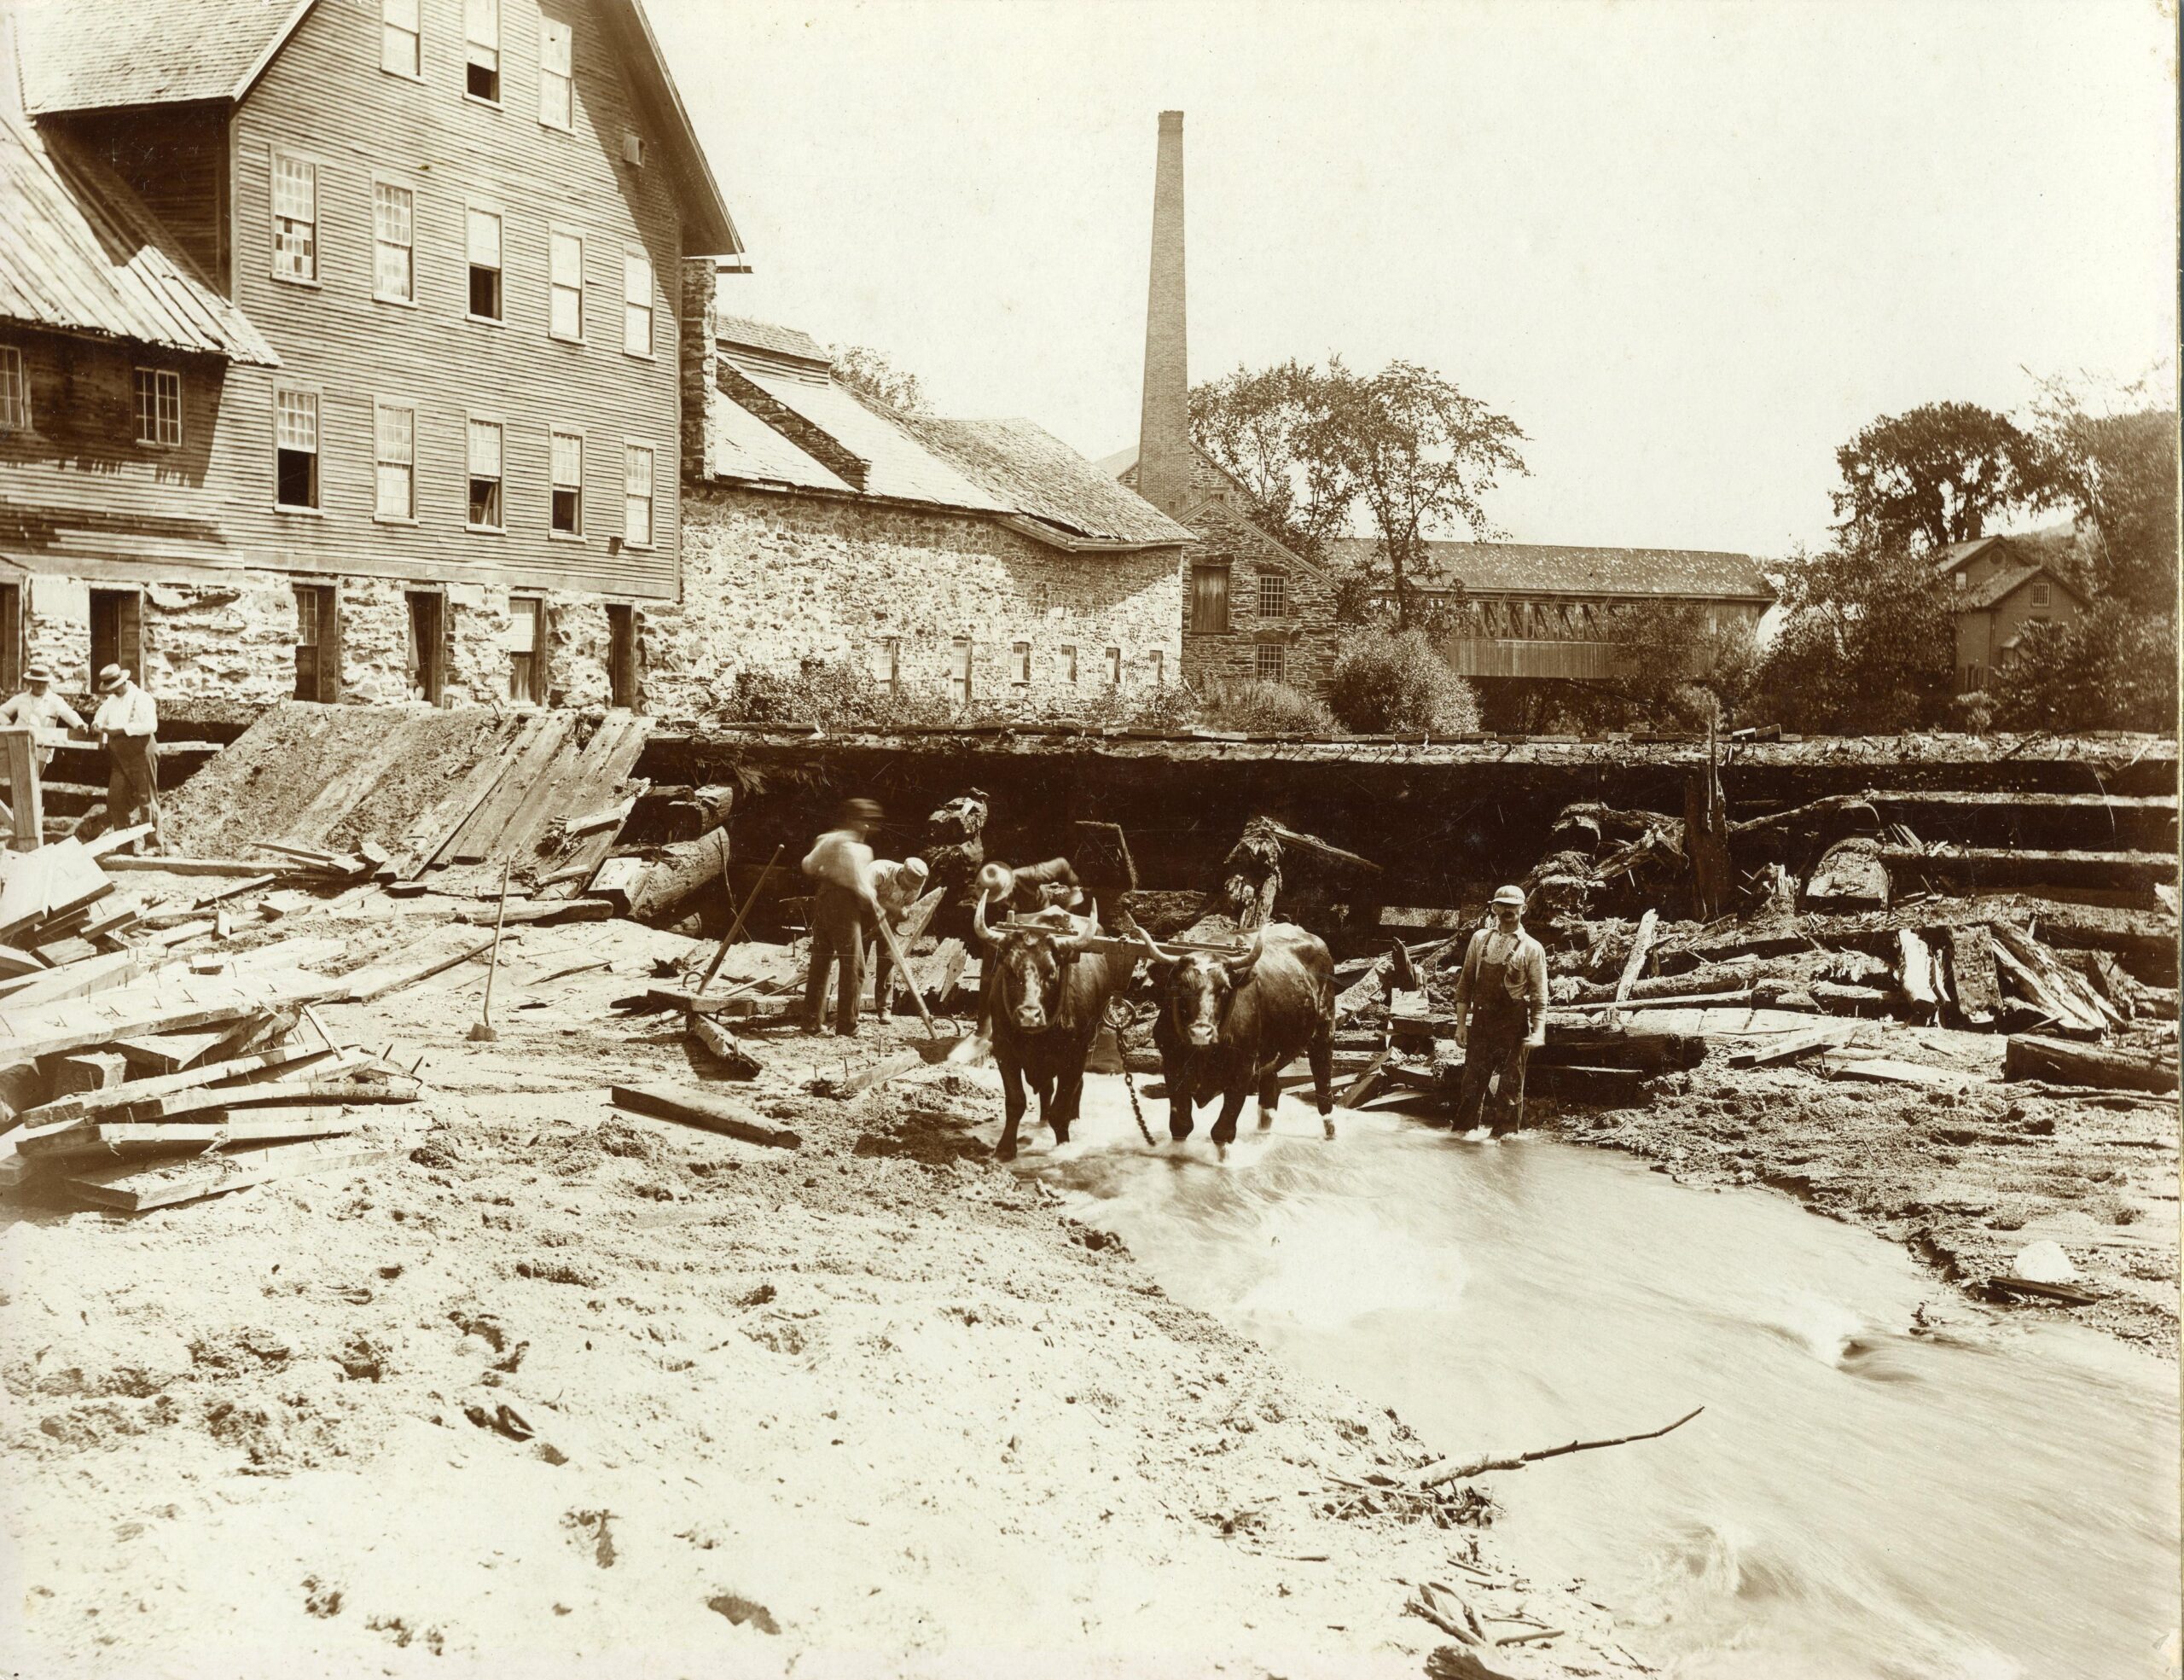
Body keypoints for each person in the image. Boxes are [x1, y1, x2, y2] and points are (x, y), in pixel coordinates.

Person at [1449, 884, 1548, 1133]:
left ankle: (1504, 1144)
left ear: (1523, 909)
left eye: (1514, 906)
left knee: (1509, 1092)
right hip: (1481, 1026)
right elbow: (1465, 984)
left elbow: (1539, 995)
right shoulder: (1479, 939)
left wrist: (1538, 1032)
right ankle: (1461, 1141)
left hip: (1513, 1030)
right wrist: (1461, 1025)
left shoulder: (1532, 948)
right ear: (1494, 908)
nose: (1508, 910)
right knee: (1471, 1088)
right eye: (1503, 905)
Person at [800, 798, 884, 1037]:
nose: (868, 827)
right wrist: (876, 905)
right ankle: (848, 1025)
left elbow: (808, 865)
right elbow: (861, 887)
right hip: (844, 904)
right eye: (867, 821)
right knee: (853, 965)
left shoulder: (828, 839)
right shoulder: (855, 849)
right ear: (855, 820)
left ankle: (811, 1022)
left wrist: (827, 872)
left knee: (821, 961)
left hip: (823, 898)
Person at [90, 663, 164, 855]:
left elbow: (151, 726)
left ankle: (154, 845)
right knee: (115, 799)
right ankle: (124, 845)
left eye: (115, 687)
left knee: (146, 798)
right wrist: (96, 725)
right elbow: (99, 717)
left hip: (142, 751)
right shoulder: (111, 701)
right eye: (110, 689)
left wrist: (123, 729)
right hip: (120, 756)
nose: (113, 691)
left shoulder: (142, 698)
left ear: (123, 682)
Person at [868, 853, 931, 1015]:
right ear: (902, 872)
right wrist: (893, 908)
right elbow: (865, 896)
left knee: (888, 961)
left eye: (913, 888)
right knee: (857, 962)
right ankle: (850, 1012)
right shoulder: (879, 871)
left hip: (888, 921)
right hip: (863, 916)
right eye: (907, 885)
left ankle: (884, 1008)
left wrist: (902, 914)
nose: (909, 890)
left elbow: (907, 907)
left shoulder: (916, 884)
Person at [0, 662, 86, 769]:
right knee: (16, 775)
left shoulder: (55, 700)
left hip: (41, 748)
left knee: (33, 777)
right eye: (37, 682)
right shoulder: (21, 698)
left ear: (48, 683)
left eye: (44, 682)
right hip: (18, 744)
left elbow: (69, 713)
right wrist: (9, 726)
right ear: (30, 682)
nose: (40, 685)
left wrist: (80, 724)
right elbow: (1, 712)